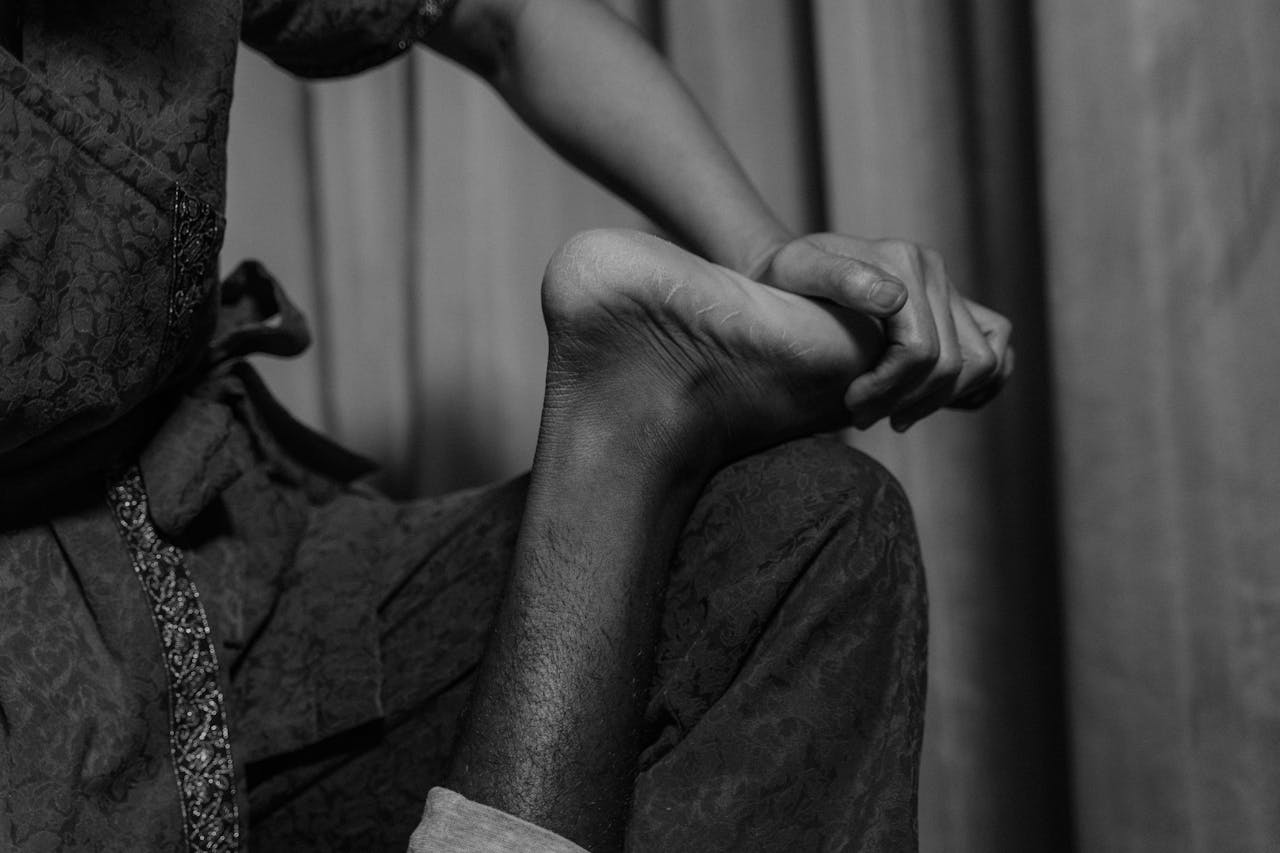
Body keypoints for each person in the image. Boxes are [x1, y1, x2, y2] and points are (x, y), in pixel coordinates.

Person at [0, 0, 1012, 851]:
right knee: (642, 487)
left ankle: (625, 433)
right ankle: (619, 444)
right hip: (37, 718)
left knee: (804, 525)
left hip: (209, 560)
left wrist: (764, 251)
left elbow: (507, 17)